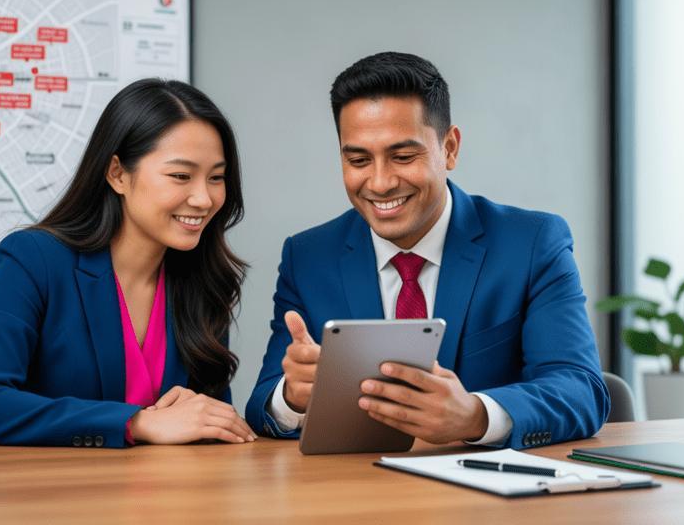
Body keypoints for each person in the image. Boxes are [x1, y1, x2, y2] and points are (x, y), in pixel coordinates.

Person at [245, 52, 609, 448]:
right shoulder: (309, 257)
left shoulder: (533, 243)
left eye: (403, 156)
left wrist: (475, 415)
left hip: (490, 499)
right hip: (357, 493)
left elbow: (580, 389)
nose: (380, 183)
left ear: (449, 148)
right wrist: (291, 397)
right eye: (358, 159)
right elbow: (263, 403)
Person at [0, 78, 255, 448]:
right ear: (117, 174)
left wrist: (208, 417)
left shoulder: (203, 281)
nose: (204, 198)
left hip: (171, 500)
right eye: (180, 176)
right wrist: (135, 423)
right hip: (55, 497)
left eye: (216, 178)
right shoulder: (35, 259)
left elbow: (215, 426)